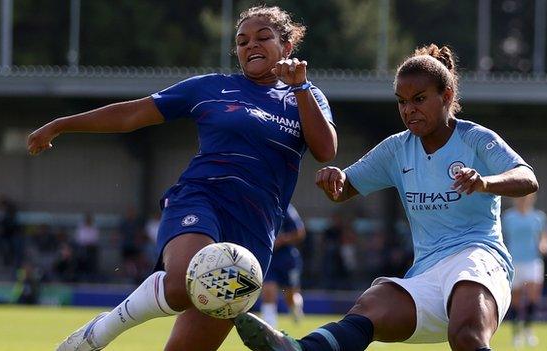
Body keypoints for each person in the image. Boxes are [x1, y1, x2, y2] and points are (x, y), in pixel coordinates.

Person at [27, 5, 336, 351]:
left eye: (263, 38)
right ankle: (100, 332)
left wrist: (302, 88)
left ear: (287, 47)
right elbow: (132, 114)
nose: (251, 46)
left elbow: (326, 150)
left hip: (256, 226)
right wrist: (63, 124)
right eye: (242, 41)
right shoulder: (210, 87)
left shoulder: (307, 96)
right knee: (179, 283)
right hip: (202, 197)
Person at [235, 44, 539, 351]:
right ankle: (302, 349)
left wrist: (485, 181)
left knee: (465, 336)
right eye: (402, 102)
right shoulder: (396, 149)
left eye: (418, 100)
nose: (409, 110)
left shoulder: (475, 138)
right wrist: (335, 179)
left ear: (446, 96)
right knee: (372, 303)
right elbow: (345, 187)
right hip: (427, 273)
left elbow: (527, 178)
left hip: (479, 259)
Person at [502, 194, 547, 348]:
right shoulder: (508, 217)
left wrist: (544, 244)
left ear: (532, 198)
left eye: (526, 197)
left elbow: (545, 235)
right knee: (515, 300)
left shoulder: (539, 217)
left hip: (533, 261)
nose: (523, 199)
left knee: (532, 297)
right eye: (520, 197)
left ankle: (528, 330)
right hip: (514, 262)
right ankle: (516, 333)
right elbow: (501, 237)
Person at [261, 203, 306, 328]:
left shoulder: (285, 208)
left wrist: (280, 241)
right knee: (268, 289)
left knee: (290, 294)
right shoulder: (258, 207)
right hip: (269, 257)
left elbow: (299, 232)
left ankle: (296, 309)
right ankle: (269, 326)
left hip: (286, 259)